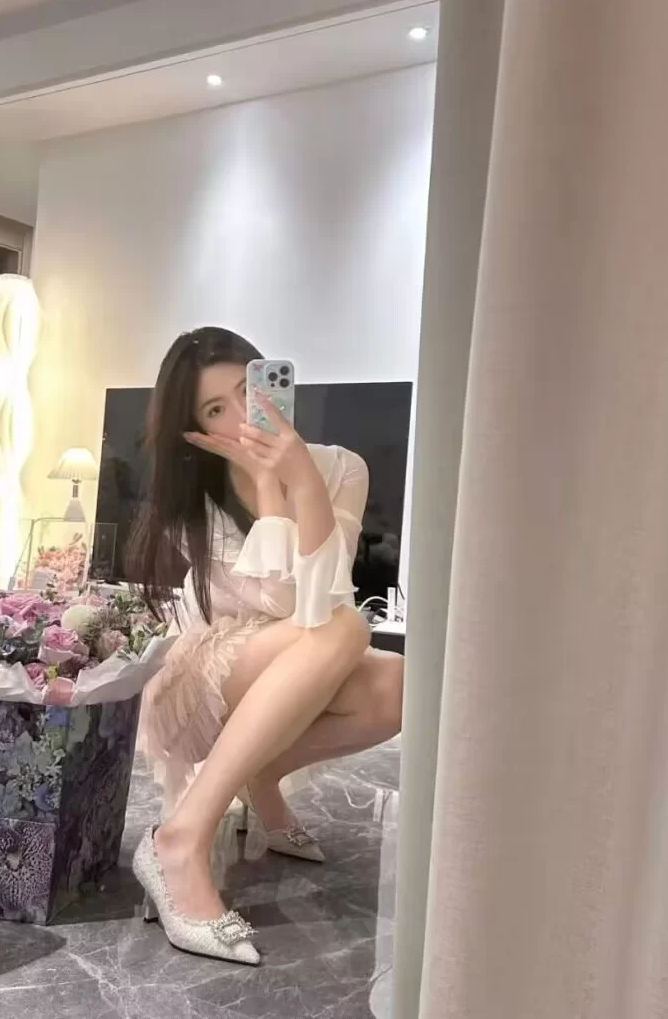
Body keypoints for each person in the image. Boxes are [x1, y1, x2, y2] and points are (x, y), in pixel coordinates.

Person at [128, 327, 404, 964]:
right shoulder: (194, 503)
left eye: (245, 392)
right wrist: (274, 488)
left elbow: (319, 602)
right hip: (210, 667)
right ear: (194, 429)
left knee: (397, 685)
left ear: (271, 384)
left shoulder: (342, 467)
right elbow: (289, 605)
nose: (240, 416)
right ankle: (180, 840)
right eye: (214, 409)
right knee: (347, 628)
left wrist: (303, 477)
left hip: (301, 650)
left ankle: (260, 773)